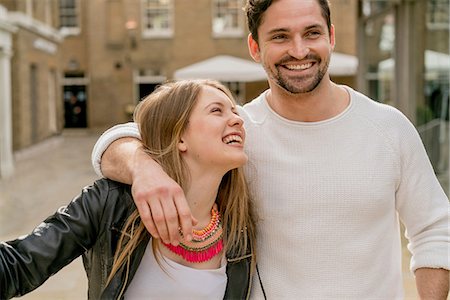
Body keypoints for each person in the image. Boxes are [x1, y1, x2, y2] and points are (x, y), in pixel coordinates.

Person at [91, 0, 450, 299]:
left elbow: (436, 229)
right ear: (255, 47)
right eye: (280, 36)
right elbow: (115, 143)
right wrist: (142, 166)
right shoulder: (237, 134)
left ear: (332, 37)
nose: (299, 50)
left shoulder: (388, 127)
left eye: (312, 33)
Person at [0, 79, 257, 300]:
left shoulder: (241, 226)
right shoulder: (112, 203)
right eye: (217, 111)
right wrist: (140, 166)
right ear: (179, 137)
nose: (238, 120)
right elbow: (19, 266)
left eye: (235, 112)